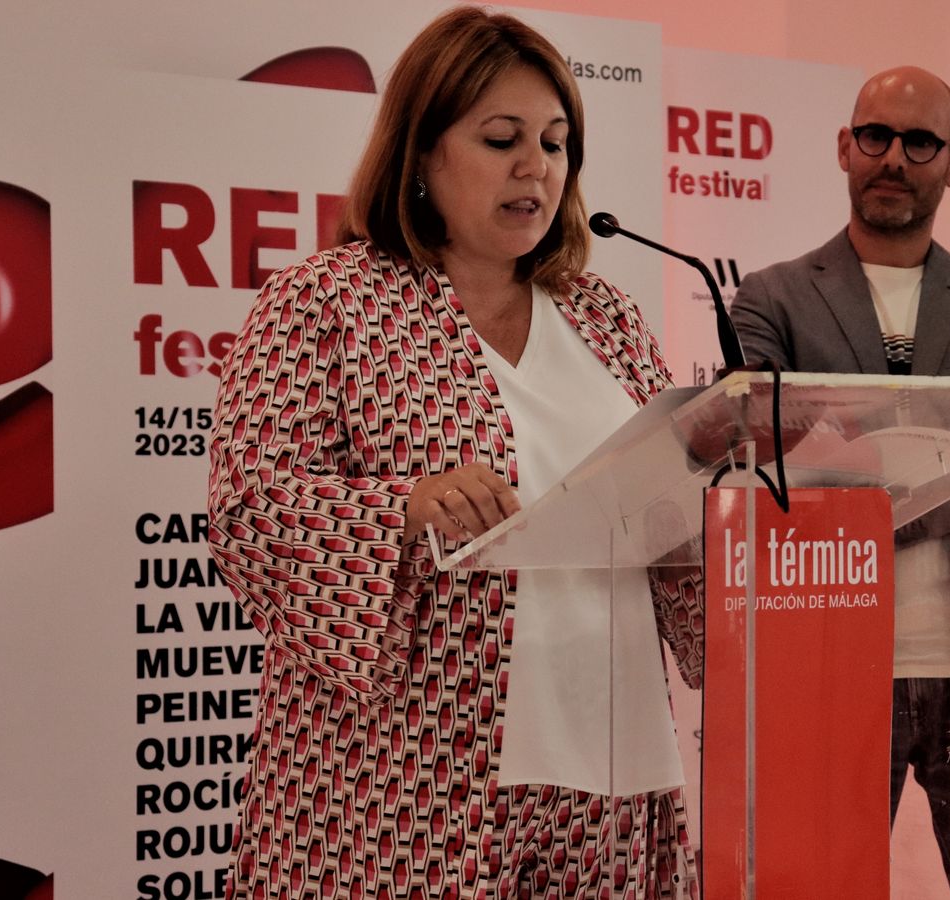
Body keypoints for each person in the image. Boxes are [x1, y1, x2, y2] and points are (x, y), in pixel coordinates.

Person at [207, 9, 702, 898]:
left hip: (613, 770)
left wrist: (739, 498)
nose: (536, 167)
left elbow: (668, 511)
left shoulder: (607, 317)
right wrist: (399, 511)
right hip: (405, 783)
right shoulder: (326, 302)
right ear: (423, 155)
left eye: (556, 143)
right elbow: (250, 508)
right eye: (501, 138)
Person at [729, 67, 950, 899]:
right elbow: (767, 453)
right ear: (845, 146)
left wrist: (876, 489)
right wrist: (941, 458)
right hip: (829, 663)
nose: (893, 158)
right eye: (875, 136)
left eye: (921, 143)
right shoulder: (769, 298)